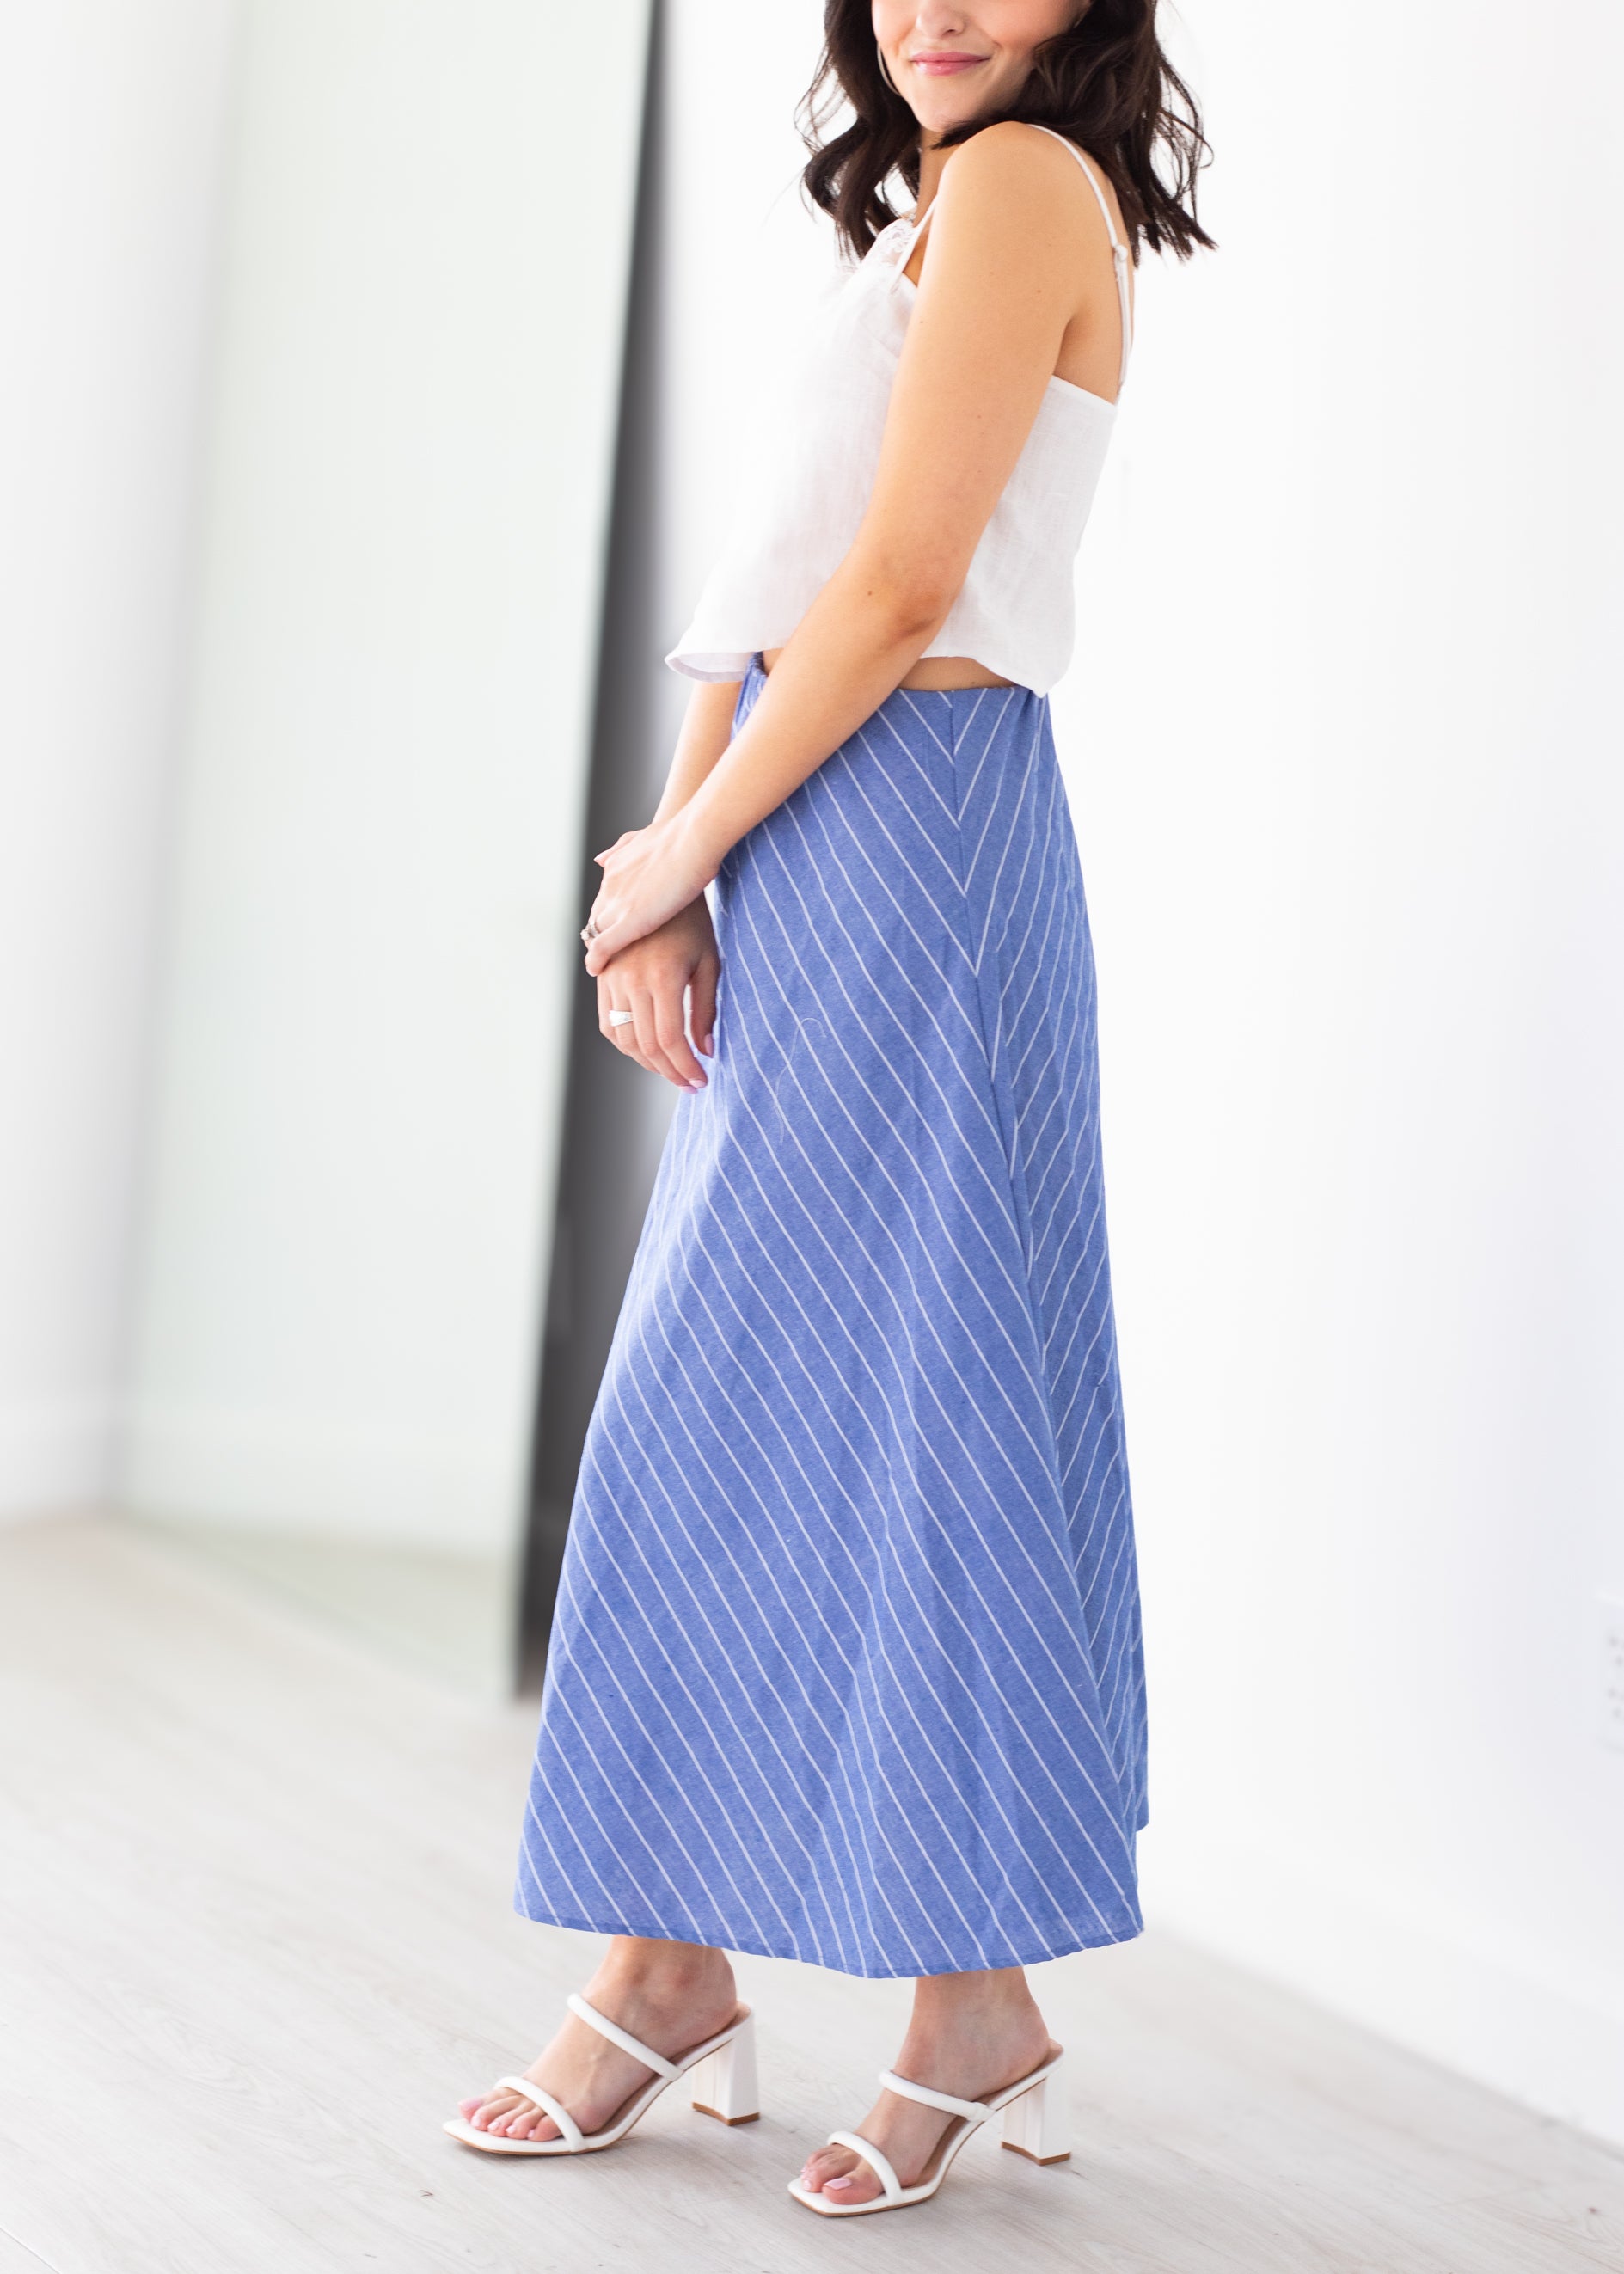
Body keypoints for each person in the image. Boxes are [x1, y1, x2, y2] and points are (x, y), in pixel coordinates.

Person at [446, 0, 1210, 2219]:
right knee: (748, 1408)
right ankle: (684, 1963)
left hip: (924, 839)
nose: (935, 6)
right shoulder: (916, 209)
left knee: (924, 1419)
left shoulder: (1022, 186)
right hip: (813, 816)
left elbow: (892, 594)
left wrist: (686, 858)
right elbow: (769, 599)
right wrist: (661, 874)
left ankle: (940, 2002)